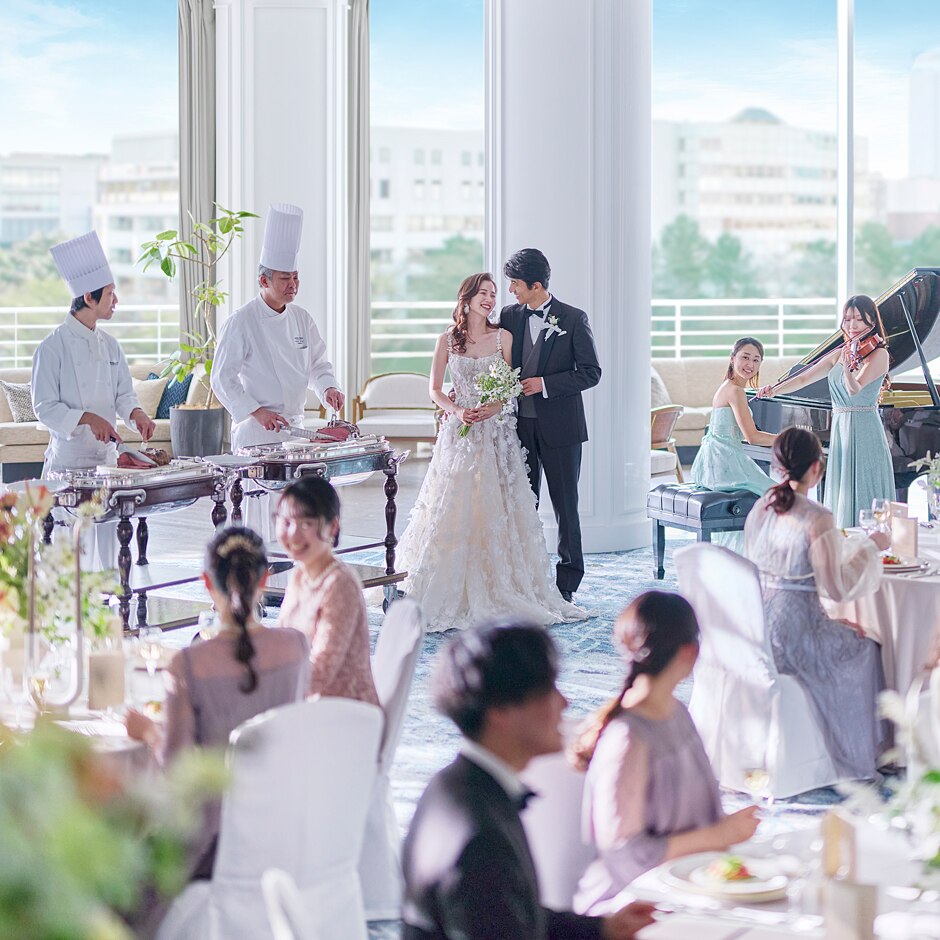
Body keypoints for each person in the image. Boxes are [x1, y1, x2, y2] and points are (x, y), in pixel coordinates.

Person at [401, 621, 658, 940]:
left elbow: (509, 913)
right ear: (500, 711)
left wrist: (602, 928)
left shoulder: (450, 786)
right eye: (549, 689)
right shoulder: (480, 840)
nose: (564, 702)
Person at [395, 272, 584, 632]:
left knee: (498, 507)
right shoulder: (446, 340)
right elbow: (434, 390)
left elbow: (510, 388)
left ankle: (504, 581)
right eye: (483, 293)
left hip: (497, 435)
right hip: (460, 433)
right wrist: (456, 410)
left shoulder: (504, 337)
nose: (490, 299)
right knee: (453, 505)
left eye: (494, 294)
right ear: (465, 299)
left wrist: (495, 407)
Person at [126, 528, 309, 876]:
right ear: (265, 579)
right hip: (284, 835)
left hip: (214, 847)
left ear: (206, 582)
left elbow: (176, 771)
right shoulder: (296, 647)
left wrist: (149, 731)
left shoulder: (189, 665)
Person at [572, 592, 759, 914]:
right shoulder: (629, 737)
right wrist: (719, 835)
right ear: (690, 652)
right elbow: (626, 856)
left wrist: (725, 834)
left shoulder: (678, 712)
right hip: (632, 905)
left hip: (690, 883)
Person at [744, 427, 890, 779]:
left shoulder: (763, 505)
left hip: (758, 627)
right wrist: (872, 546)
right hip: (797, 637)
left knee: (852, 631)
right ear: (815, 468)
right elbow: (836, 590)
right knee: (868, 647)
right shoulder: (817, 517)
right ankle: (863, 751)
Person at [211, 203, 345, 536]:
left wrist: (328, 387)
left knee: (295, 514)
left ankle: (294, 567)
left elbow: (318, 364)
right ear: (263, 280)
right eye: (285, 278)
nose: (293, 284)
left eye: (296, 278)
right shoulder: (241, 321)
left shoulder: (302, 319)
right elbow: (221, 378)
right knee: (260, 514)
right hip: (258, 433)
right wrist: (256, 411)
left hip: (295, 432)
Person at [32, 231, 156, 567]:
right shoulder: (51, 347)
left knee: (109, 554)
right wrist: (87, 419)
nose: (116, 301)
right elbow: (44, 407)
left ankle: (114, 599)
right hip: (67, 467)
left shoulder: (111, 345)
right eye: (111, 294)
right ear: (89, 297)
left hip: (106, 465)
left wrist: (136, 413)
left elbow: (123, 394)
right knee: (70, 558)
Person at [499, 249, 602, 602]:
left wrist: (544, 384)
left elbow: (591, 373)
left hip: (562, 430)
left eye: (515, 283)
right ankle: (525, 576)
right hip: (518, 429)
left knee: (565, 506)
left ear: (536, 285)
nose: (510, 290)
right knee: (522, 505)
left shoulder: (573, 318)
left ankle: (568, 582)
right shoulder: (509, 316)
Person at [757, 295, 894, 528]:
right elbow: (804, 378)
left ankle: (868, 536)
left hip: (864, 426)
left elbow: (854, 389)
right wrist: (774, 390)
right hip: (841, 424)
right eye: (847, 319)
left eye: (858, 319)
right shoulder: (842, 352)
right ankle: (840, 535)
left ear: (872, 321)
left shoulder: (879, 354)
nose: (851, 325)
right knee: (843, 485)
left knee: (862, 481)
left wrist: (847, 367)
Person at [275, 476, 379, 704]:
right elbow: (282, 643)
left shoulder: (340, 585)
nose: (293, 534)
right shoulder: (299, 575)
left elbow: (322, 671)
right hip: (308, 702)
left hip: (343, 711)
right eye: (286, 522)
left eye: (306, 524)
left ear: (332, 526)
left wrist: (266, 686)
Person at [690, 337, 777, 551]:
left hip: (714, 463)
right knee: (779, 495)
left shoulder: (729, 387)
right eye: (745, 357)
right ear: (732, 358)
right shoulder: (736, 391)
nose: (750, 364)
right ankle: (766, 552)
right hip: (723, 465)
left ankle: (753, 549)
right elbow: (753, 437)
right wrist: (789, 437)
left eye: (756, 360)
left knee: (771, 492)